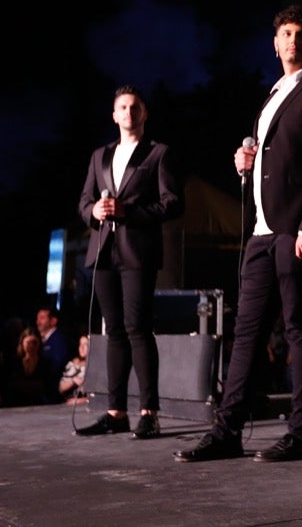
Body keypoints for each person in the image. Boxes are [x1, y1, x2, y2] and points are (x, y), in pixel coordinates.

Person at [174, 4, 302, 464]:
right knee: (246, 333)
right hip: (260, 233)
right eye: (286, 33)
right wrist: (245, 166)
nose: (293, 40)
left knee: (300, 331)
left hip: (298, 231)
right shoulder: (269, 97)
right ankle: (227, 431)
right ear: (274, 44)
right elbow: (274, 164)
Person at [75, 84, 184, 439]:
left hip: (138, 252)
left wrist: (129, 211)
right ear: (114, 114)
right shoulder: (99, 156)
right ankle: (115, 411)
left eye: (135, 107)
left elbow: (173, 203)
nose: (129, 112)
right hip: (104, 251)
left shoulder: (158, 153)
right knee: (114, 331)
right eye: (123, 107)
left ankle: (149, 412)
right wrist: (93, 211)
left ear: (144, 113)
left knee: (138, 328)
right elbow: (83, 203)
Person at [6, 326, 56, 407]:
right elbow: (12, 385)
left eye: (34, 342)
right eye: (28, 343)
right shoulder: (15, 362)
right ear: (22, 343)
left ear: (39, 343)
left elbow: (46, 386)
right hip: (18, 405)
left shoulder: (45, 363)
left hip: (40, 405)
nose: (31, 346)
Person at [36, 305, 71, 386]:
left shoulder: (59, 339)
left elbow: (58, 364)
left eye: (42, 318)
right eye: (37, 318)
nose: (38, 322)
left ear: (53, 321)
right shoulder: (40, 340)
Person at [59, 334, 89, 403]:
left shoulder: (98, 367)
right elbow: (60, 388)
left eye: (85, 344)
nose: (81, 347)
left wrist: (81, 401)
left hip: (85, 407)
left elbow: (100, 397)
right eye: (80, 344)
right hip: (68, 404)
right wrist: (73, 381)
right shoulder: (73, 365)